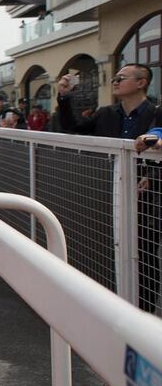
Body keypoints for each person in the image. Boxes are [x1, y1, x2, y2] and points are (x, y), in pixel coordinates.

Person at [60, 64, 162, 312]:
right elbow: (72, 127)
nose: (115, 81)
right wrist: (64, 96)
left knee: (144, 254)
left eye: (121, 78)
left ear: (141, 82)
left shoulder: (156, 112)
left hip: (146, 198)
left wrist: (152, 173)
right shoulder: (105, 113)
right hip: (110, 194)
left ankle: (142, 313)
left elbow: (157, 137)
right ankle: (113, 307)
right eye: (115, 78)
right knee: (110, 249)